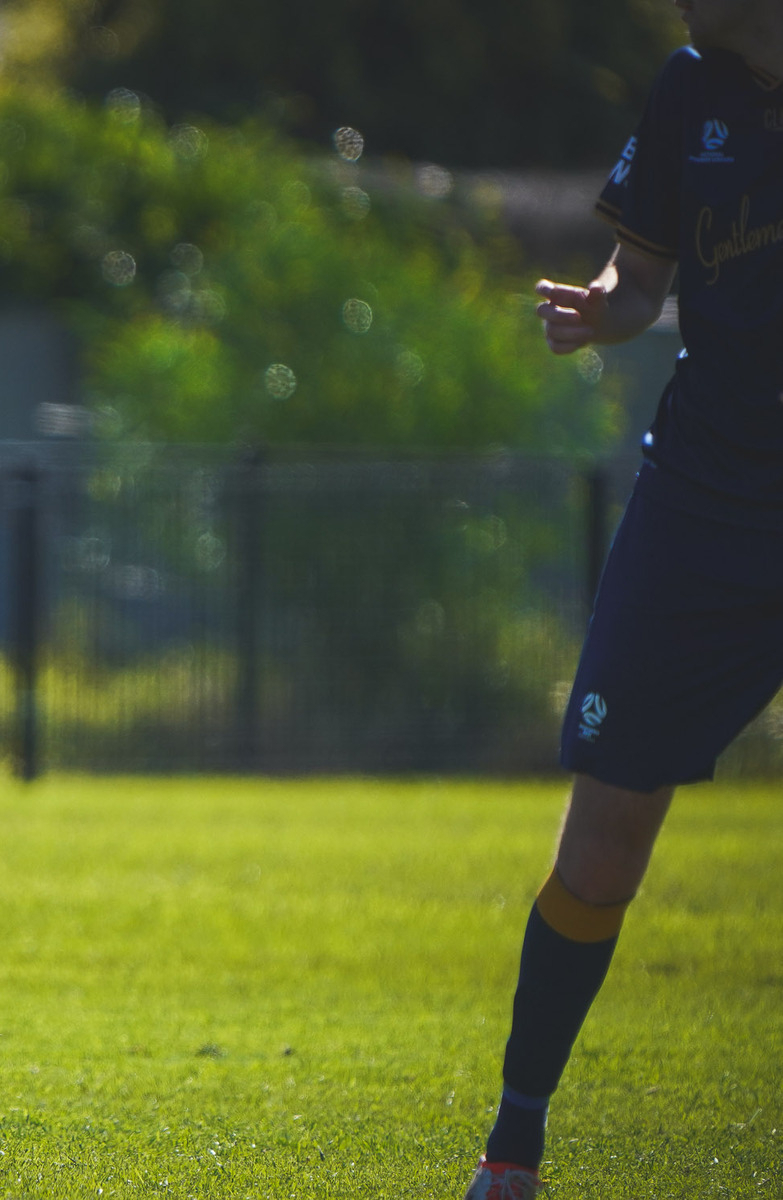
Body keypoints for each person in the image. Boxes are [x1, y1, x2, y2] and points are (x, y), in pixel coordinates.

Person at [464, 3, 783, 1197]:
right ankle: (513, 1144)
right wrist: (608, 306)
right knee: (603, 838)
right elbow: (642, 274)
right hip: (704, 501)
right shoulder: (689, 89)